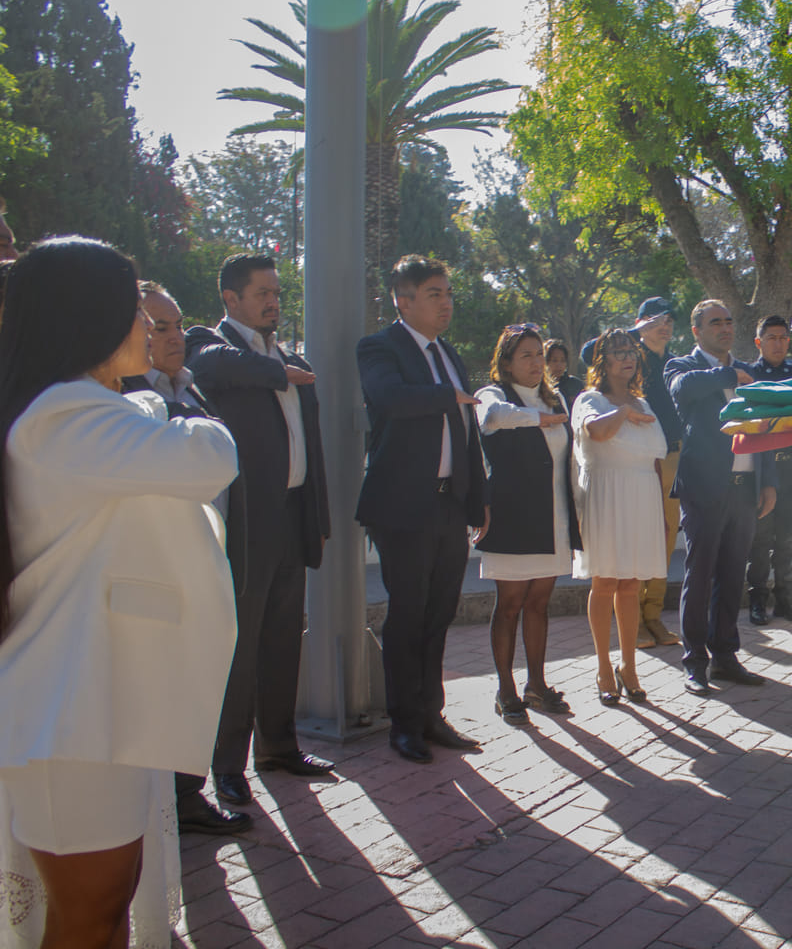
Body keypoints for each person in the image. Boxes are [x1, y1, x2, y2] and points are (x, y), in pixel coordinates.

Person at [0, 238, 239, 947]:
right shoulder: (63, 415)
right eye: (136, 310)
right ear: (88, 318)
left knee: (101, 910)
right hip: (67, 712)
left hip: (89, 704)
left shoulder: (74, 407)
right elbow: (209, 458)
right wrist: (176, 410)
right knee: (85, 919)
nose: (150, 327)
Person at [186, 253, 334, 803]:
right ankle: (227, 765)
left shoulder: (288, 356)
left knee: (280, 641)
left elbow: (310, 445)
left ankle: (278, 746)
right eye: (261, 293)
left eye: (276, 292)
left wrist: (316, 516)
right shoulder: (209, 345)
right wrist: (277, 372)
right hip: (247, 523)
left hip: (294, 516)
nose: (273, 301)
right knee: (240, 646)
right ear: (231, 298)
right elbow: (213, 365)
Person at [122, 282, 252, 837]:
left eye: (177, 325)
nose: (175, 337)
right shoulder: (123, 400)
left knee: (199, 688)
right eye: (159, 327)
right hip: (158, 577)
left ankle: (187, 793)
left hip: (208, 565)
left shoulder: (190, 387)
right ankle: (164, 802)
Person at [355, 256, 487, 764]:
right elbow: (387, 397)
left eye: (448, 292)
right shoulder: (379, 347)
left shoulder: (446, 351)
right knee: (408, 615)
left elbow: (466, 430)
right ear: (402, 300)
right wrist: (445, 395)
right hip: (402, 508)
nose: (447, 302)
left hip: (448, 506)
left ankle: (432, 715)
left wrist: (478, 500)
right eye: (434, 293)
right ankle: (403, 724)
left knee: (440, 614)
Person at [665, 300, 777, 695]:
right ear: (696, 331)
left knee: (733, 577)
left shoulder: (751, 371)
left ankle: (726, 657)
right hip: (703, 489)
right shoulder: (682, 366)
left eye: (729, 321)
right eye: (716, 322)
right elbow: (682, 390)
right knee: (699, 577)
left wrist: (768, 482)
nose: (725, 328)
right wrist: (728, 373)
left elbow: (765, 429)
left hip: (745, 488)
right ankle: (695, 661)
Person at [473, 323, 580, 724]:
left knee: (539, 605)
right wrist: (540, 419)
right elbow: (492, 418)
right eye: (526, 356)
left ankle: (536, 684)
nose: (537, 363)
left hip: (553, 518)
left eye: (540, 354)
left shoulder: (555, 399)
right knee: (510, 606)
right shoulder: (494, 394)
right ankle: (506, 690)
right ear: (506, 361)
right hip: (513, 517)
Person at [572, 329, 667, 704]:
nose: (628, 357)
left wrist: (659, 509)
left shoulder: (645, 402)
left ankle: (629, 667)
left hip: (642, 495)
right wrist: (624, 412)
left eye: (631, 351)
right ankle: (602, 668)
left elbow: (655, 459)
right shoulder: (589, 399)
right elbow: (598, 433)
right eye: (618, 352)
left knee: (631, 584)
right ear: (602, 360)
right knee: (605, 581)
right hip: (606, 494)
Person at [745, 315, 792, 626]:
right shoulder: (748, 374)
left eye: (783, 337)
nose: (778, 343)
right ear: (759, 342)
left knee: (788, 538)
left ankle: (785, 600)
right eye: (772, 337)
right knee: (760, 539)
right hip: (761, 469)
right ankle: (758, 599)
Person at [627, 298, 684, 652]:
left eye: (669, 320)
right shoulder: (628, 355)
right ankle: (631, 618)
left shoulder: (677, 363)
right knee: (637, 535)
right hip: (637, 457)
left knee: (665, 536)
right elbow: (590, 353)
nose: (664, 326)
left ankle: (653, 614)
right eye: (655, 320)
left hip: (674, 456)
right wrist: (637, 331)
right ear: (640, 323)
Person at [544, 338, 585, 412]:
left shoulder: (576, 384)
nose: (559, 365)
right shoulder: (541, 387)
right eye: (554, 360)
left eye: (563, 361)